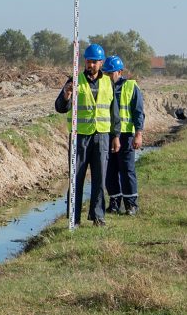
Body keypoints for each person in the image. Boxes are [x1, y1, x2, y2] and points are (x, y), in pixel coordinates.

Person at [55, 43, 121, 226]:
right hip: (80, 137)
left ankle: (98, 216)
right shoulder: (74, 80)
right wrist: (66, 95)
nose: (91, 65)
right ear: (84, 61)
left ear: (101, 63)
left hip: (102, 136)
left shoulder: (108, 82)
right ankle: (73, 219)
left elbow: (113, 112)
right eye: (88, 61)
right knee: (76, 178)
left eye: (95, 62)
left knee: (100, 179)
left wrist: (115, 136)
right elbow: (60, 107)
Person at [102, 55, 145, 215]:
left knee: (127, 169)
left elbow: (138, 112)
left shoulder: (131, 87)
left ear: (120, 72)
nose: (107, 76)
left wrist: (138, 134)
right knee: (109, 170)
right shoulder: (103, 86)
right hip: (107, 133)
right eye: (105, 73)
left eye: (110, 73)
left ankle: (131, 204)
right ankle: (114, 202)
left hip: (126, 135)